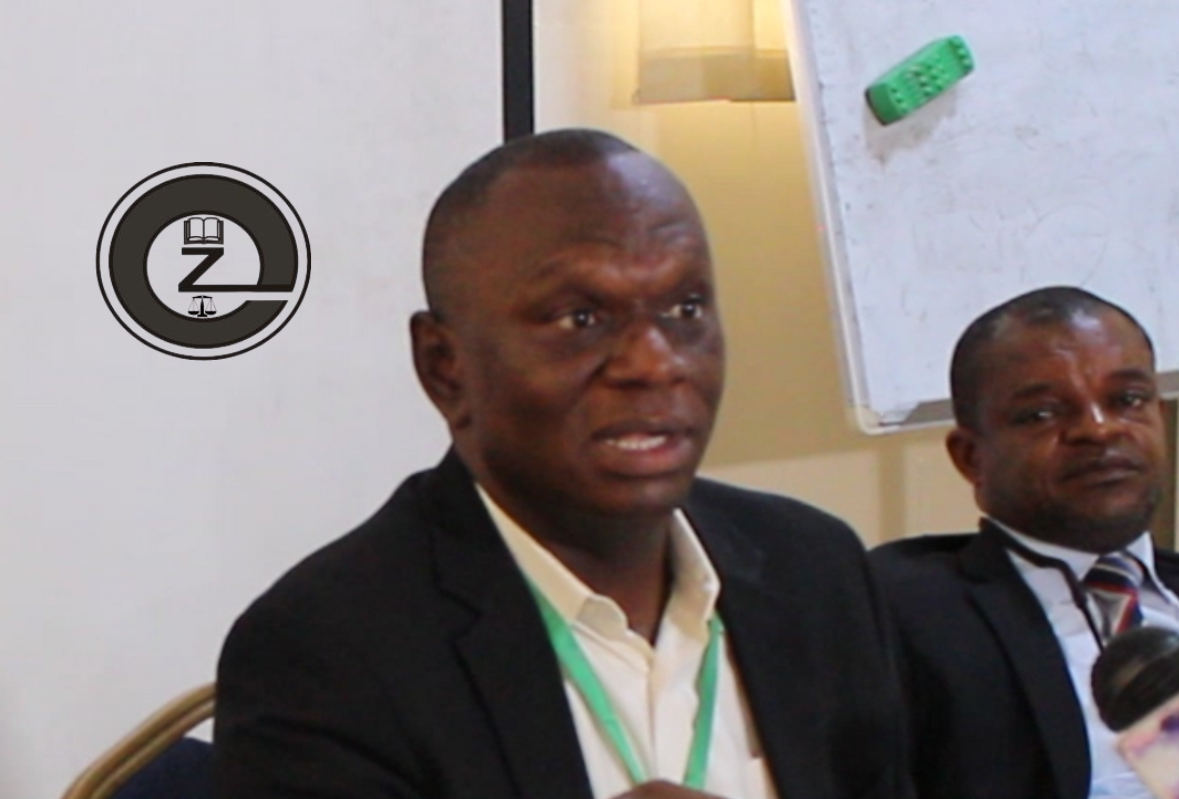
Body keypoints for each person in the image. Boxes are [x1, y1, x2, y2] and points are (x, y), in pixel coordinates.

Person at [213, 128, 909, 799]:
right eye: (581, 318)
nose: (654, 363)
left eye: (686, 307)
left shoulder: (813, 570)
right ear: (445, 366)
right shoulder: (329, 648)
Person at [870, 286, 1179, 799]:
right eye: (1042, 414)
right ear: (971, 457)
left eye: (1126, 400)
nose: (1099, 430)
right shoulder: (901, 611)